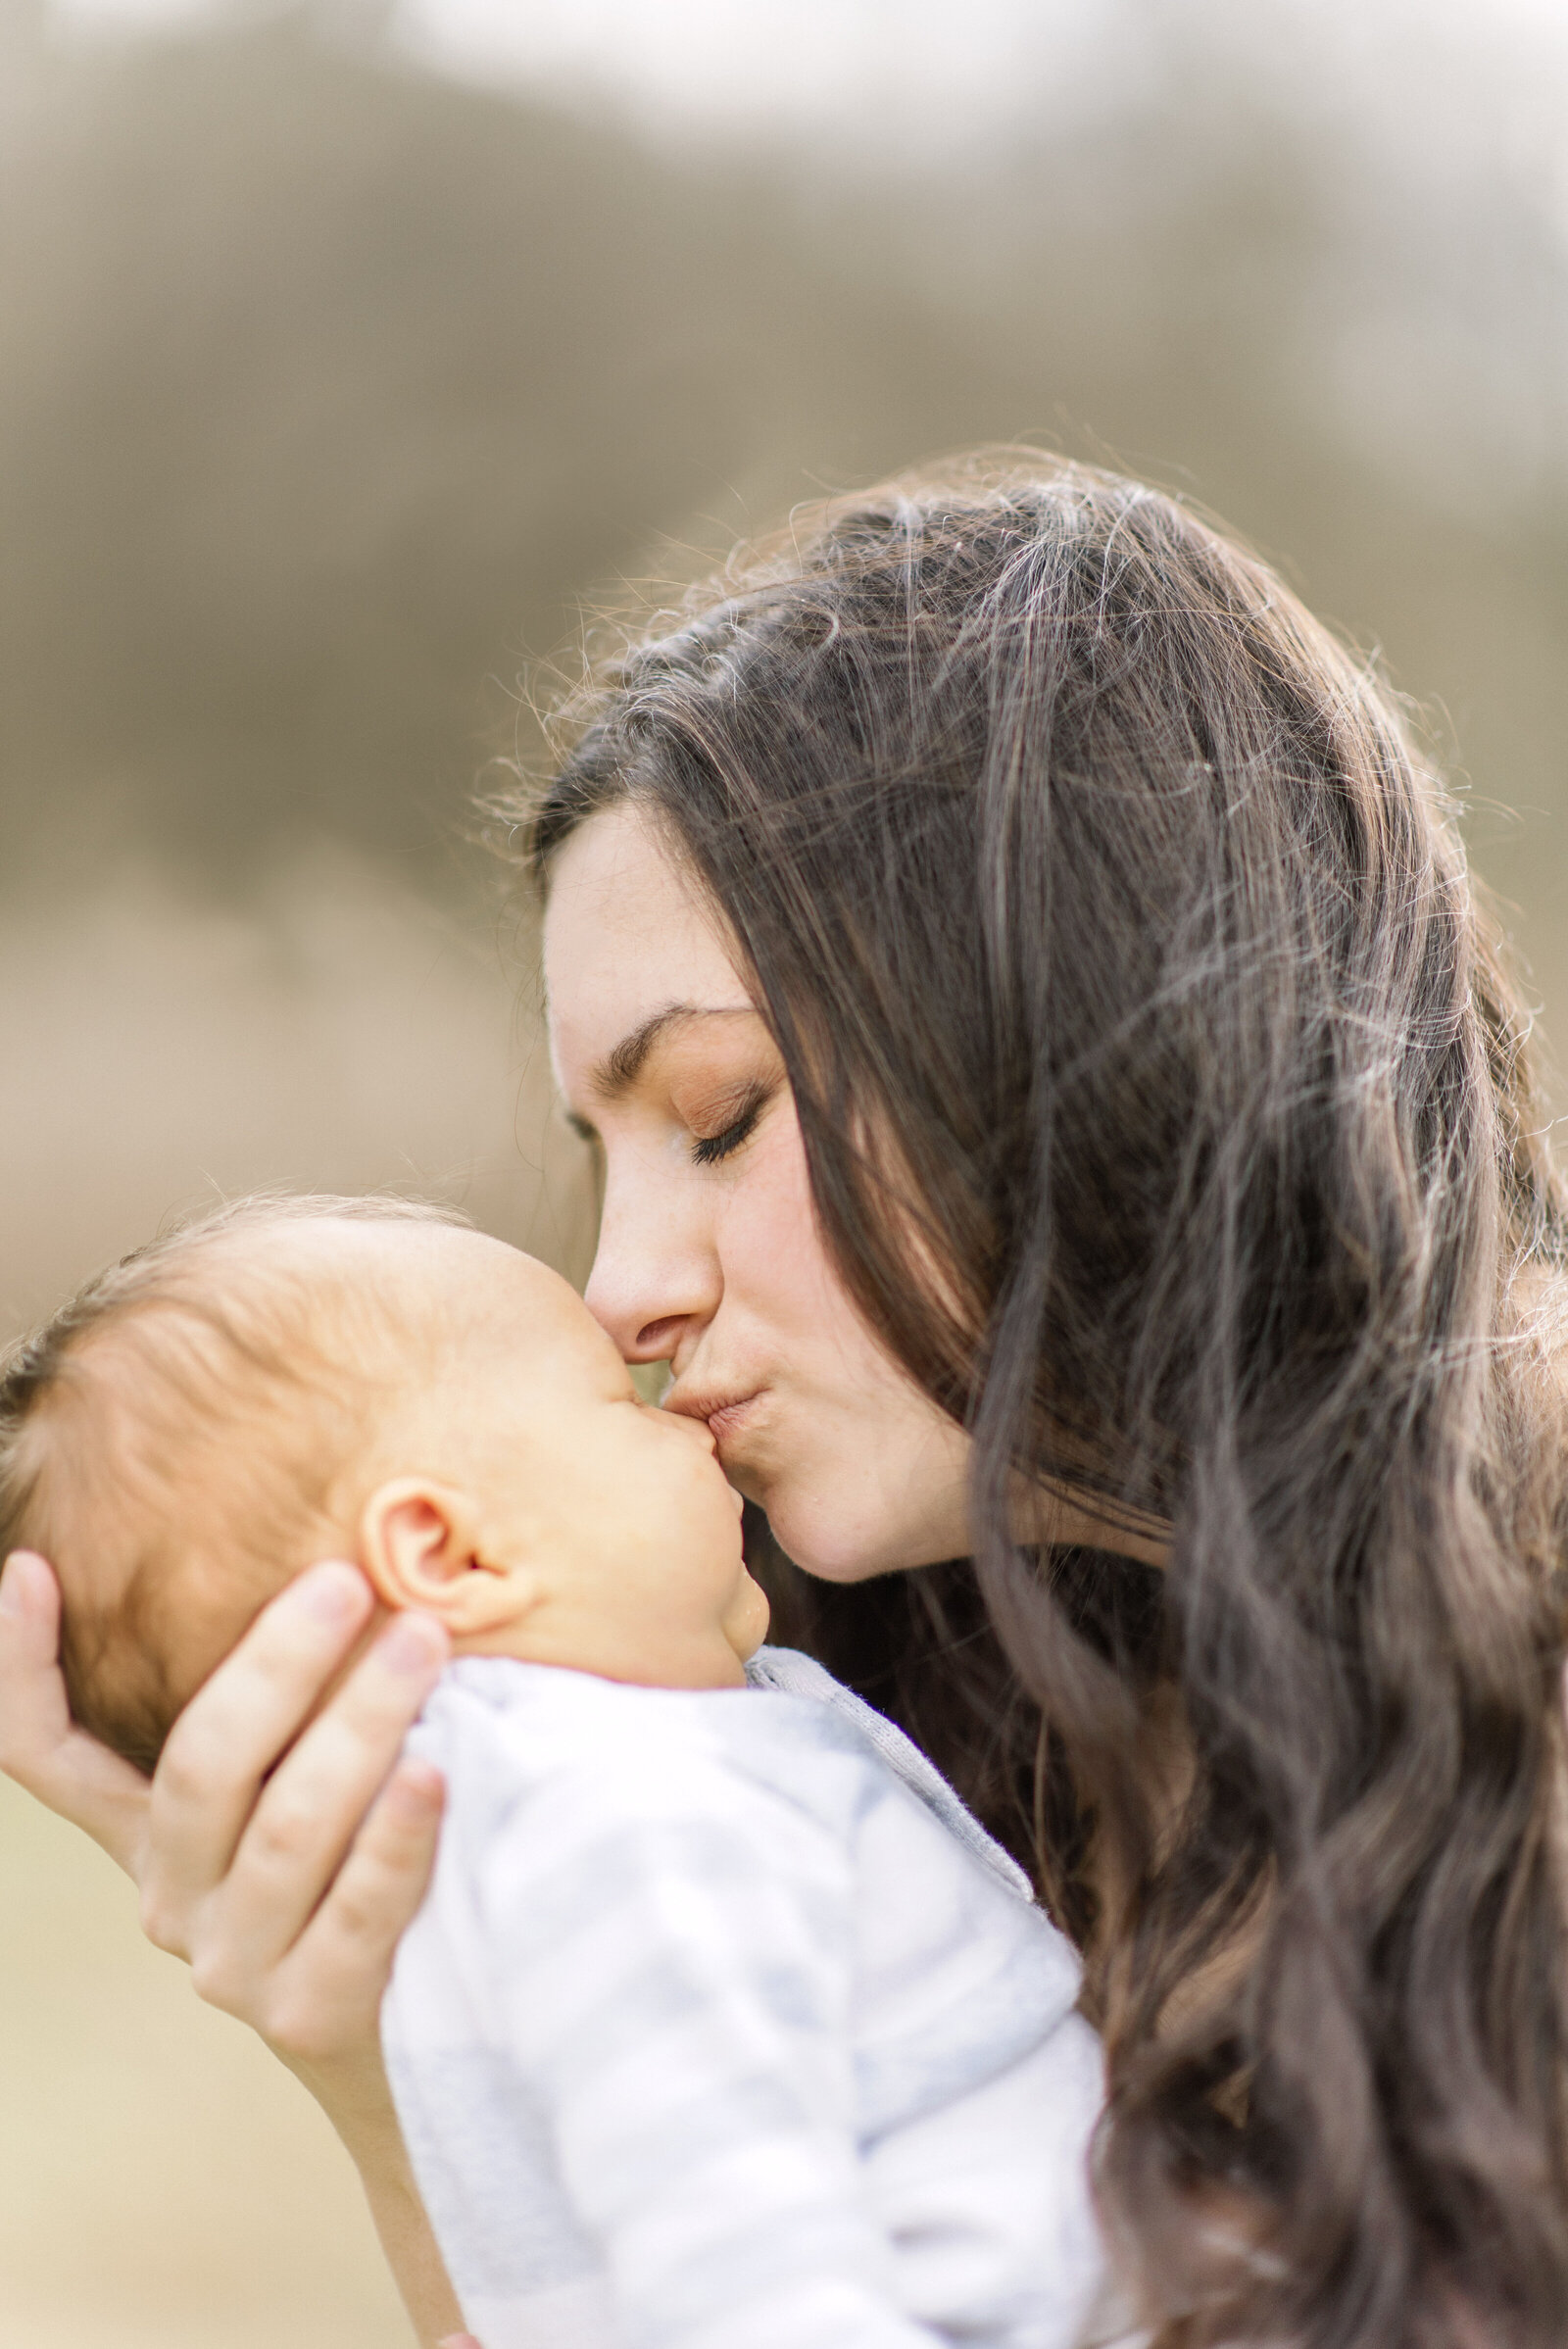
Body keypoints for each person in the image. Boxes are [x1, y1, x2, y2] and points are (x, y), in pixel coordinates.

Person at [3, 452, 1566, 2349]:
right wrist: (386, 2043)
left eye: (720, 1119)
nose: (619, 1292)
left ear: (1056, 1014)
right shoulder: (831, 1687)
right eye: (605, 1157)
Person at [0, 1193, 1104, 2349]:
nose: (682, 1418)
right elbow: (732, 2235)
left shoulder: (510, 1839)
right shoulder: (621, 1813)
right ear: (451, 1553)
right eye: (615, 1407)